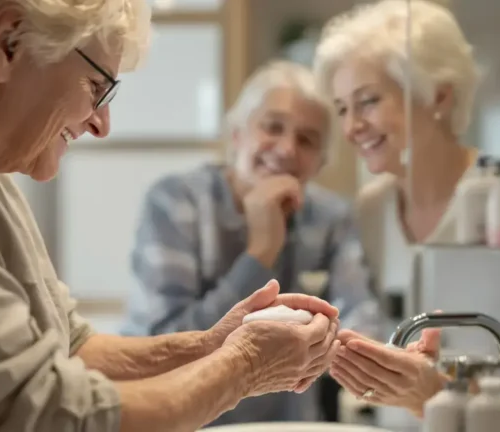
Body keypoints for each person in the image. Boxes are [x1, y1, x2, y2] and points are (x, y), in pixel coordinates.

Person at [0, 1, 342, 431]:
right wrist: (245, 363)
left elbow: (71, 348)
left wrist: (211, 344)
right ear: (7, 42)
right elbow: (36, 417)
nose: (101, 123)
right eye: (96, 85)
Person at [120, 60, 383, 425]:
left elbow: (360, 319)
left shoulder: (330, 217)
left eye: (306, 140)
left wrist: (373, 355)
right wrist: (261, 252)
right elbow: (164, 344)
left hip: (284, 423)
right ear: (238, 135)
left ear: (320, 163)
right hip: (175, 418)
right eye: (272, 127)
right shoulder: (176, 202)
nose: (287, 149)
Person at [313, 0, 481, 420]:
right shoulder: (371, 210)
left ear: (439, 95)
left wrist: (433, 394)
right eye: (342, 109)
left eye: (367, 101)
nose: (350, 127)